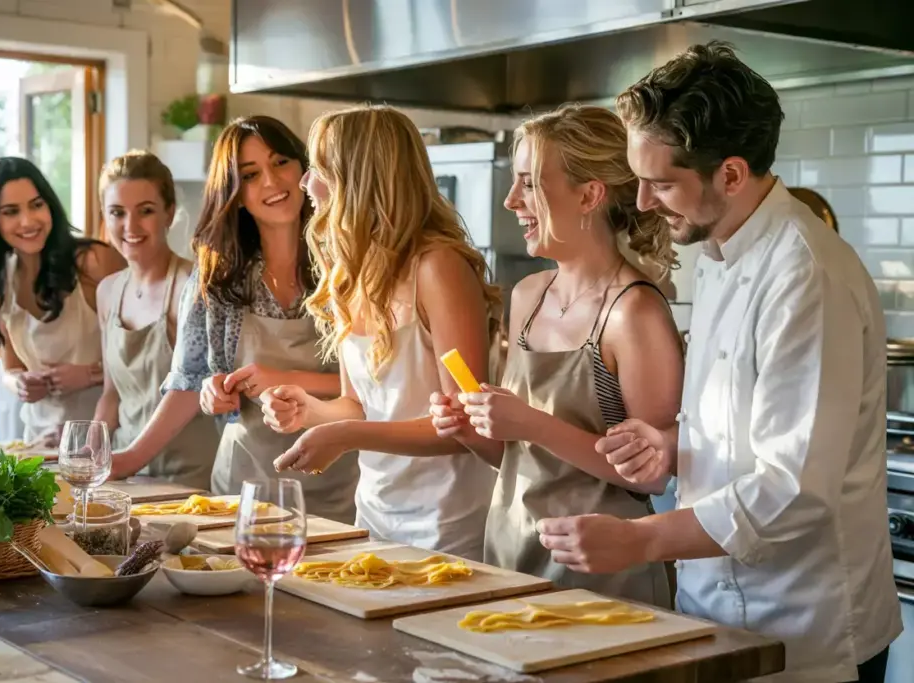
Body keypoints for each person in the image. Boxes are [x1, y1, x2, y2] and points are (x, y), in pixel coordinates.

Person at [550, 42, 901, 683]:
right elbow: (746, 423)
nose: (647, 204)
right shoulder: (717, 254)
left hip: (805, 632)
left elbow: (794, 488)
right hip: (713, 609)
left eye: (661, 184)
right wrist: (671, 441)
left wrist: (641, 540)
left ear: (732, 174)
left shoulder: (805, 274)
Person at [428, 104, 681, 606]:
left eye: (528, 183)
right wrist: (472, 430)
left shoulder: (635, 314)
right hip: (511, 554)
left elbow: (650, 475)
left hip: (603, 576)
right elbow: (521, 457)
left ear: (589, 194)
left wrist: (528, 422)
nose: (510, 201)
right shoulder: (526, 296)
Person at [259, 105, 500, 561]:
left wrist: (347, 435)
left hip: (447, 521)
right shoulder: (351, 275)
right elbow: (361, 407)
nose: (305, 183)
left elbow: (463, 424)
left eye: (319, 169)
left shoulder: (439, 269)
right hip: (375, 513)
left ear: (360, 178)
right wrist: (310, 412)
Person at [170, 115, 359, 522]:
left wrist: (284, 380)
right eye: (251, 174)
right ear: (235, 194)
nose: (272, 183)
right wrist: (213, 392)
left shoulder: (350, 266)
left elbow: (377, 390)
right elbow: (193, 381)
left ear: (306, 170)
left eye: (280, 163)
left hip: (343, 486)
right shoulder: (215, 277)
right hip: (243, 487)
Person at [0, 157, 124, 446]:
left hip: (109, 441)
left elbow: (145, 356)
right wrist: (19, 384)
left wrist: (92, 374)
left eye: (36, 205)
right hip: (40, 441)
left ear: (50, 206)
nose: (28, 221)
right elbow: (11, 366)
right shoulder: (1, 279)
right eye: (11, 211)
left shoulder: (94, 262)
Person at [94, 150, 220, 490]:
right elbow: (111, 394)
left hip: (189, 481)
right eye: (117, 213)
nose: (130, 226)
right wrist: (88, 454)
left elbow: (193, 388)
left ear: (169, 213)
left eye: (145, 211)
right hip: (124, 478)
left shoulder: (193, 286)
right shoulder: (108, 291)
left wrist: (128, 459)